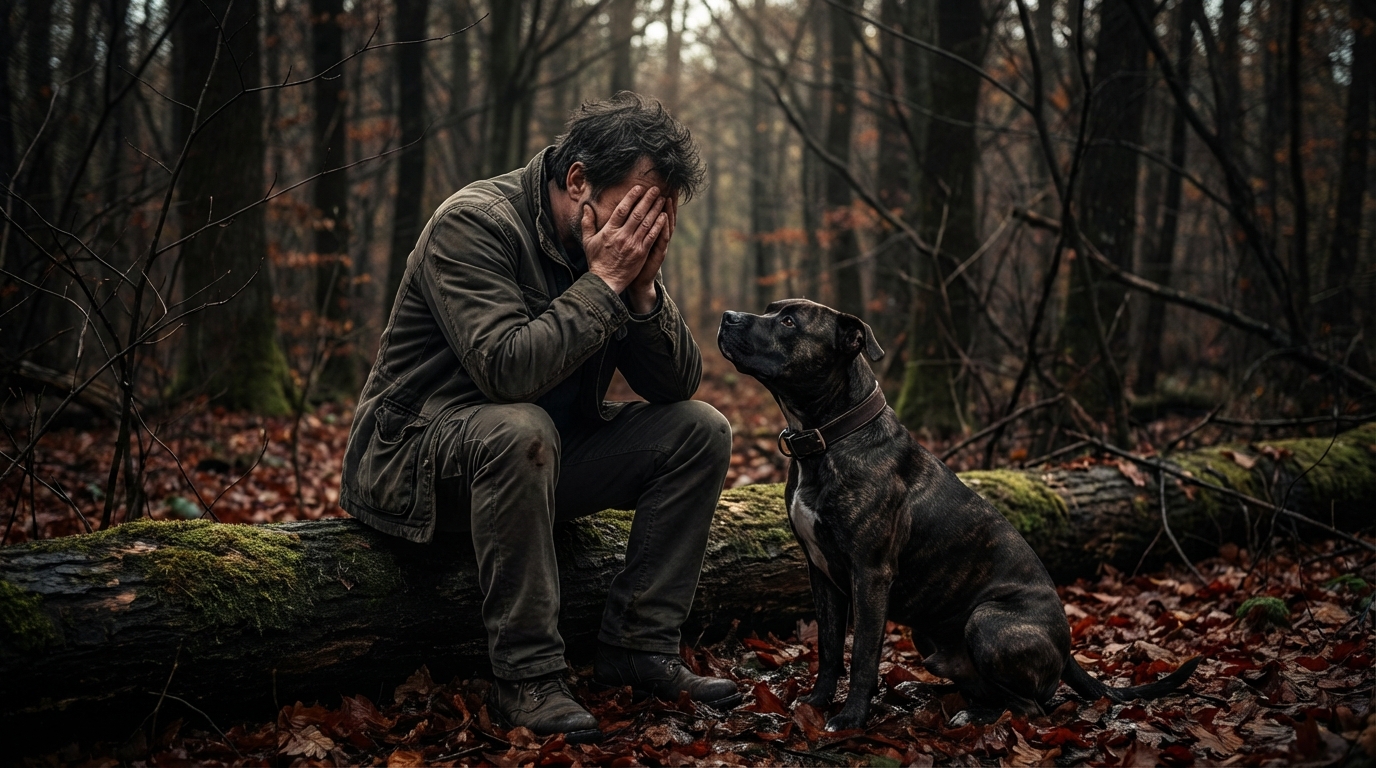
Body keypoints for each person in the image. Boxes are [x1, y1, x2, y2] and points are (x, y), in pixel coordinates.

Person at [339, 92, 738, 742]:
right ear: (577, 179)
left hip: (539, 457)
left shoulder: (610, 254)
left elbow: (676, 383)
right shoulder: (474, 223)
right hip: (420, 457)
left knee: (700, 430)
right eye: (633, 208)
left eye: (657, 217)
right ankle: (527, 678)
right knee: (520, 428)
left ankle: (640, 645)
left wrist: (640, 291)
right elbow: (507, 371)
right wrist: (606, 280)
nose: (641, 230)